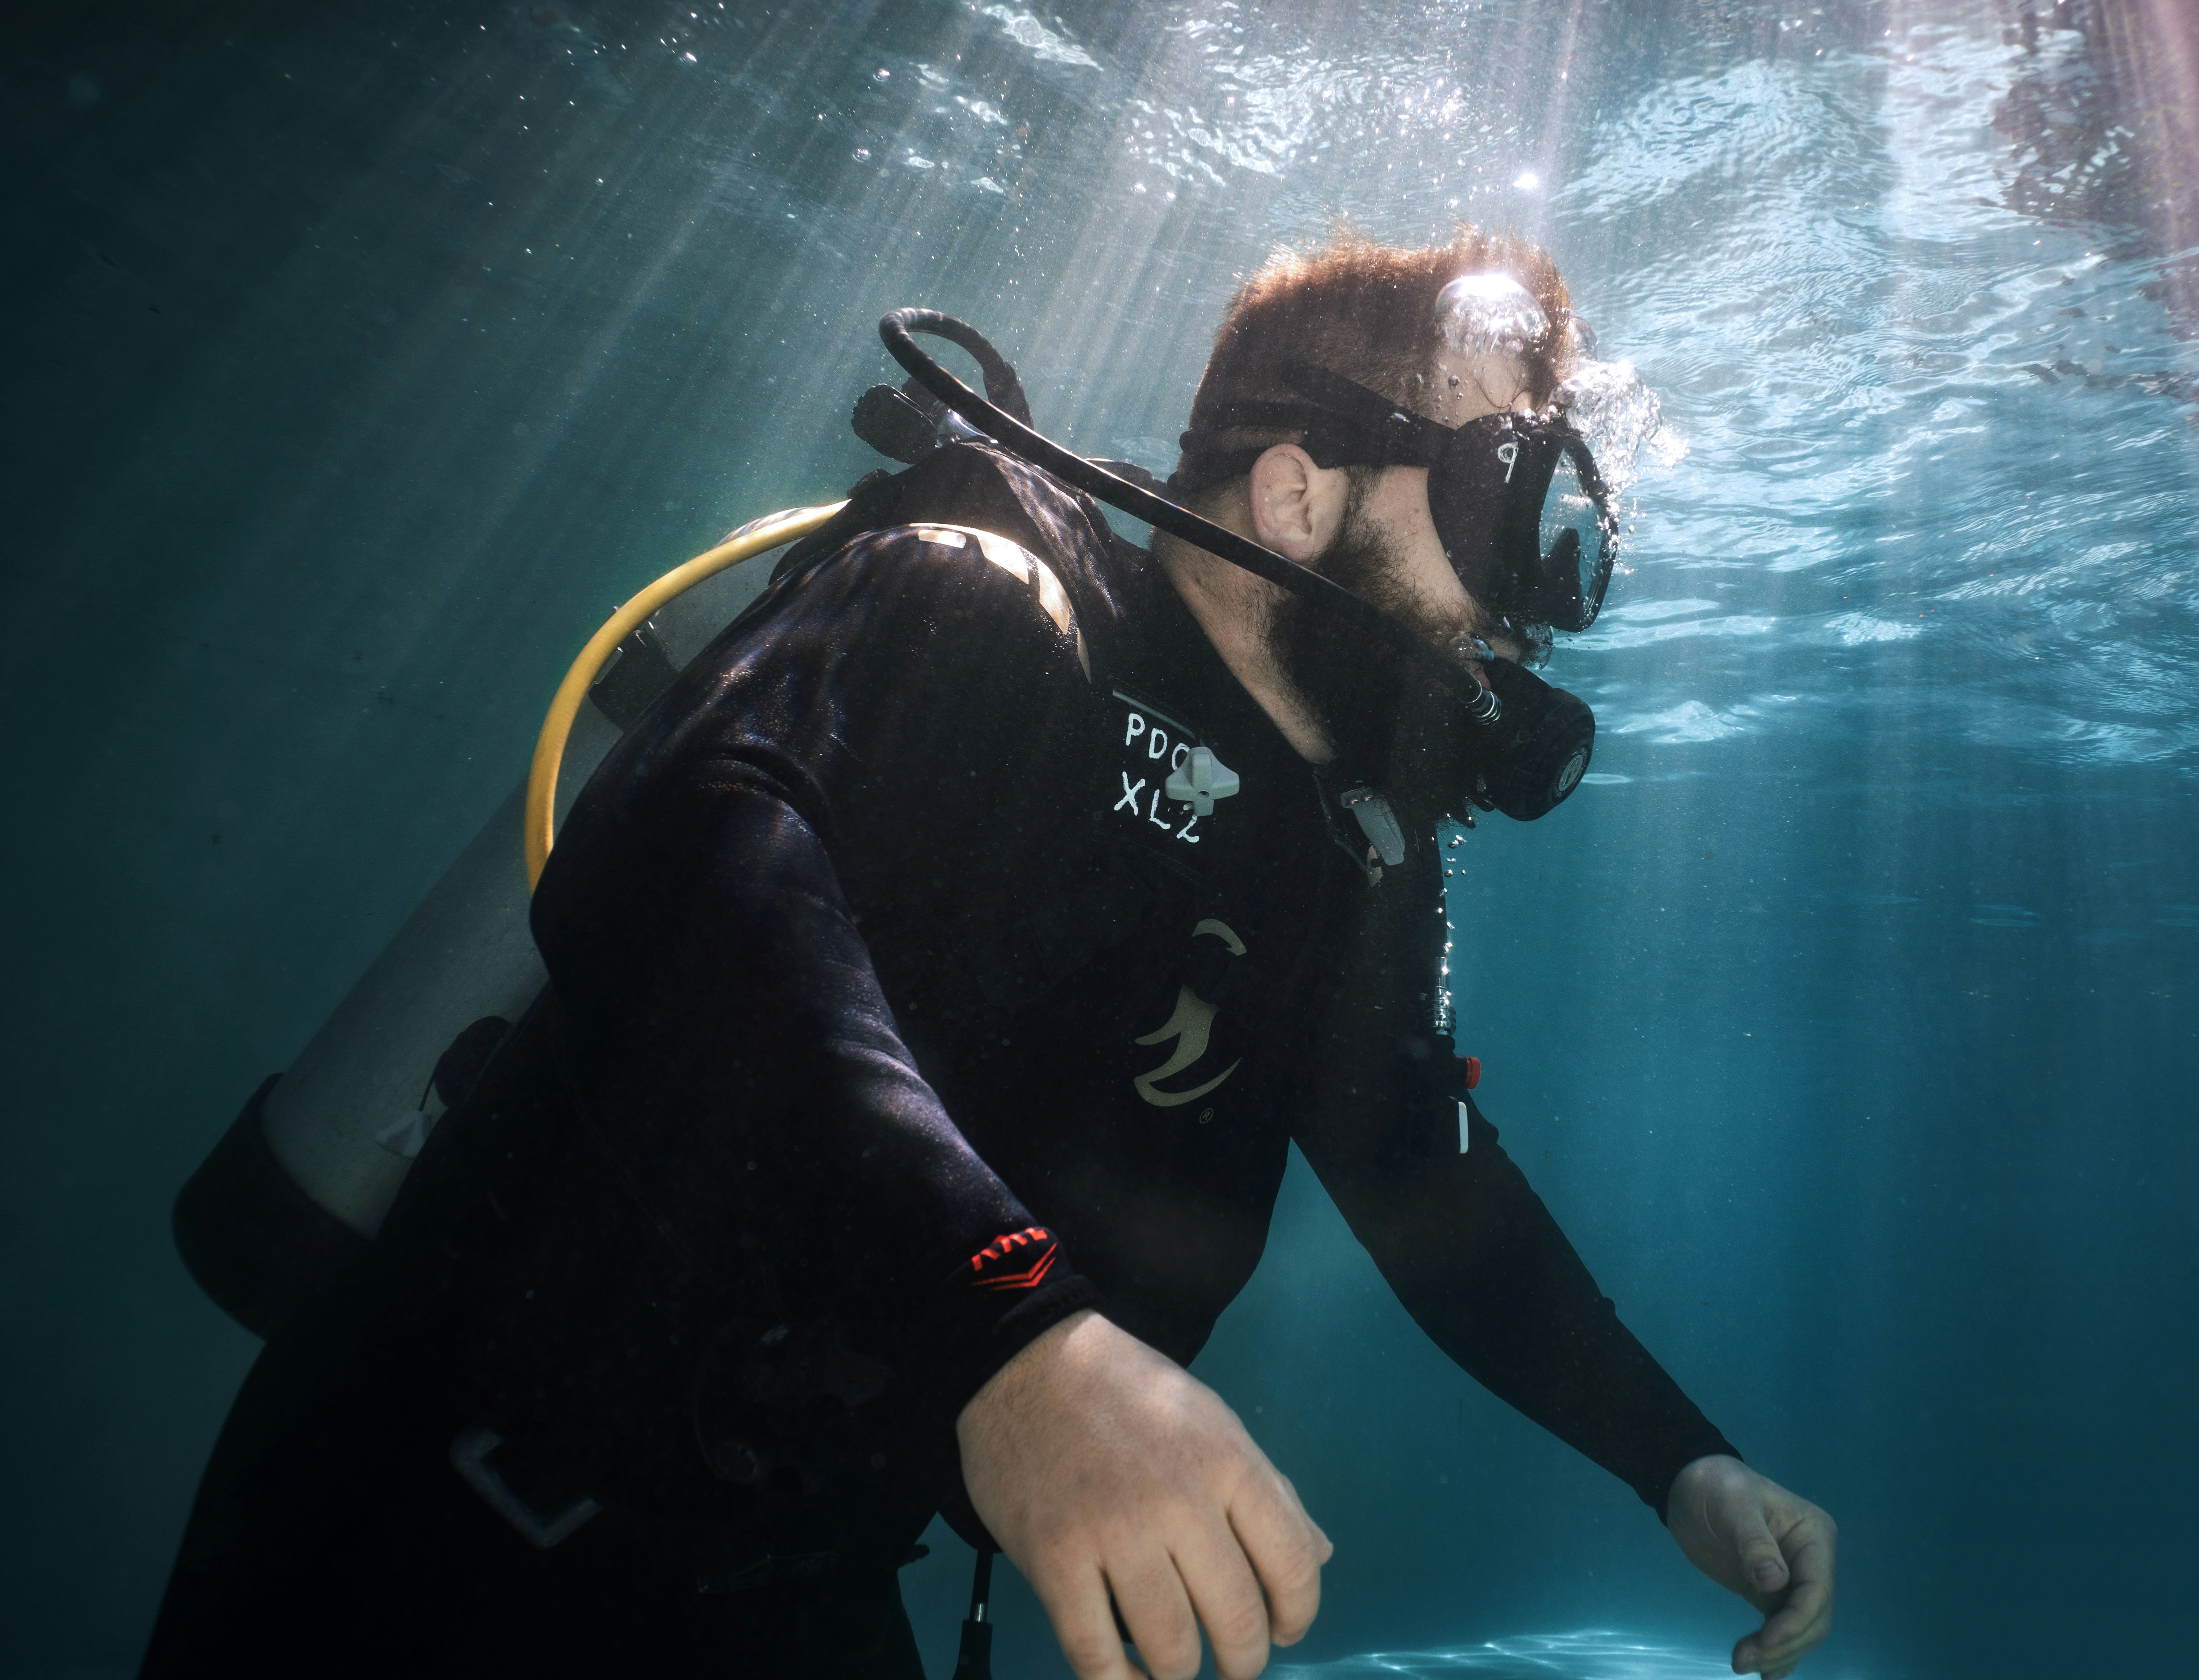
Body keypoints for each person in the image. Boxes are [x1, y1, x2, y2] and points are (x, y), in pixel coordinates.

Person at [142, 228, 1836, 1680]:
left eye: (1567, 548)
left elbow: (1420, 1170)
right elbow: (688, 861)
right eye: (1503, 509)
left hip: (787, 1584)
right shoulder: (985, 600)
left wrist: (1673, 1459)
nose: (1524, 617)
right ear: (1299, 489)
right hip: (438, 1527)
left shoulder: (1327, 863)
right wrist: (1016, 1333)